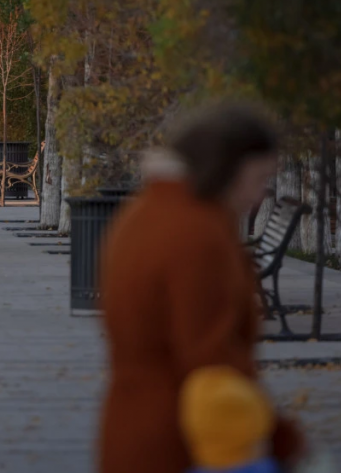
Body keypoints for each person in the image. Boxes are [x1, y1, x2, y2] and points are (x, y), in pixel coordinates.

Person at [98, 101, 305, 473]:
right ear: (228, 168)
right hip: (188, 442)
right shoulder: (197, 233)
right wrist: (281, 439)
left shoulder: (144, 212)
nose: (261, 195)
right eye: (260, 178)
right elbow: (212, 358)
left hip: (131, 429)